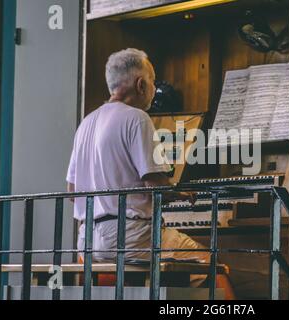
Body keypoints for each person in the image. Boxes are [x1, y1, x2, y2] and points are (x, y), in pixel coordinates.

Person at [66, 48, 211, 277]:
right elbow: (156, 186)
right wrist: (181, 194)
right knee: (206, 263)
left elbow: (72, 191)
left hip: (89, 241)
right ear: (141, 84)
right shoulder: (136, 118)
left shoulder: (86, 122)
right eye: (153, 81)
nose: (154, 88)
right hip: (131, 237)